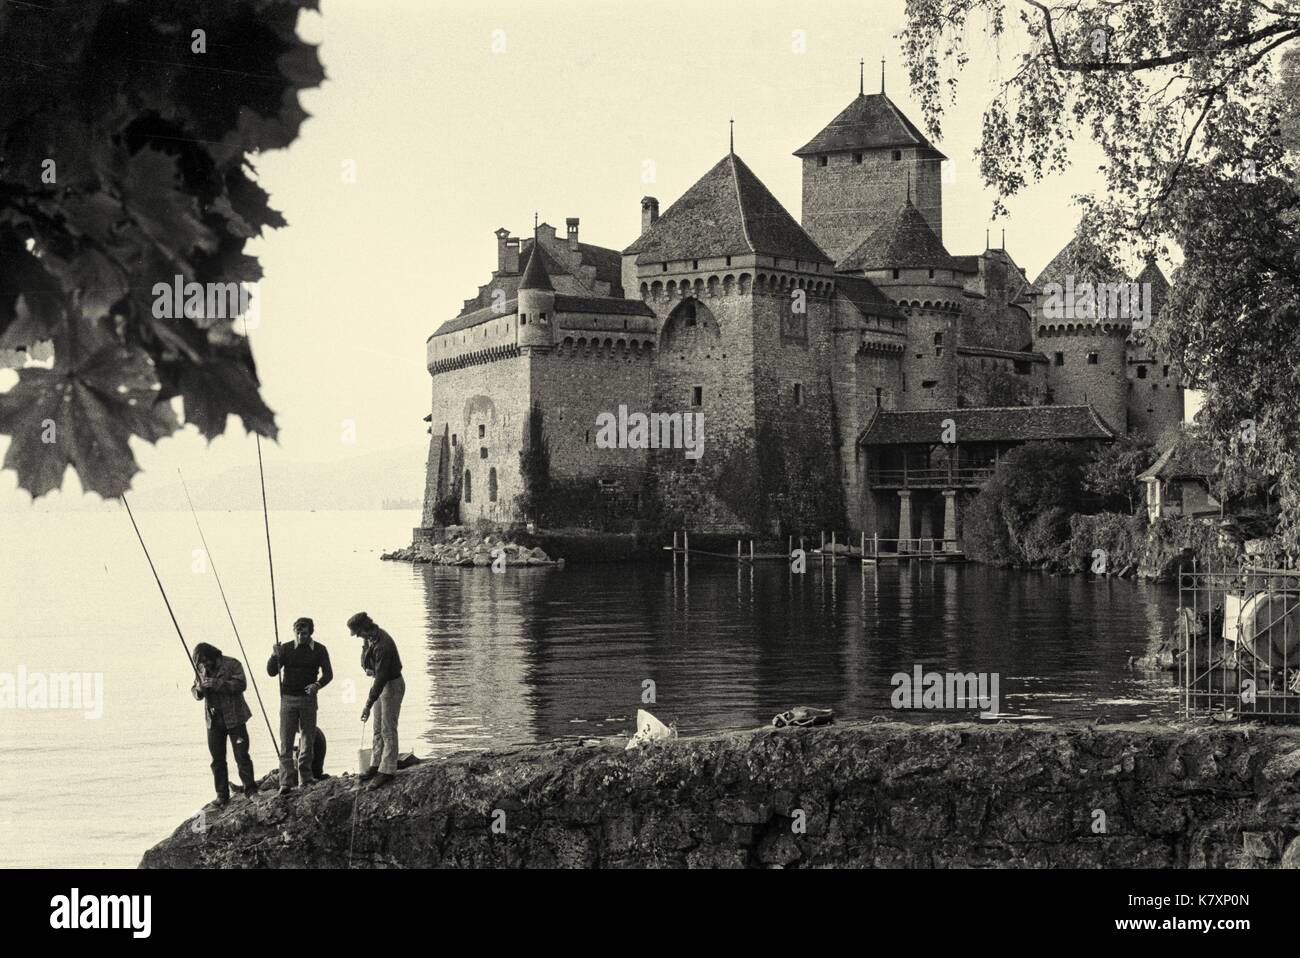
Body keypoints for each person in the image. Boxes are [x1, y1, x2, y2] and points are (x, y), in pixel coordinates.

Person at [267, 616, 333, 797]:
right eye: (297, 632)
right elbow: (272, 672)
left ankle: (305, 777)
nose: (300, 636)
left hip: (308, 699)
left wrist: (317, 685)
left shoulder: (319, 650)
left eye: (304, 633)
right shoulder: (286, 648)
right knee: (286, 741)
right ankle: (285, 782)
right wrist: (275, 655)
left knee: (308, 738)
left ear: (310, 632)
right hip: (287, 699)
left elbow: (328, 674)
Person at [191, 642, 257, 807]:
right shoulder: (200, 669)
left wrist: (217, 684)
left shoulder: (232, 664)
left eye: (206, 661)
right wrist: (199, 689)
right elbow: (195, 692)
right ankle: (222, 795)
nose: (204, 665)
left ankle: (250, 790)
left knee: (242, 756)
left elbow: (241, 685)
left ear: (213, 655)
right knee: (217, 760)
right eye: (200, 662)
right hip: (213, 721)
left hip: (235, 718)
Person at [347, 611, 404, 789]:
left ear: (366, 628)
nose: (358, 637)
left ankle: (387, 770)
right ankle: (375, 764)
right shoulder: (371, 639)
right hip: (382, 684)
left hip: (392, 685)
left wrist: (367, 705)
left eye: (359, 634)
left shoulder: (383, 645)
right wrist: (365, 648)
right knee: (377, 727)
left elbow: (380, 680)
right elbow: (366, 664)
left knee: (388, 728)